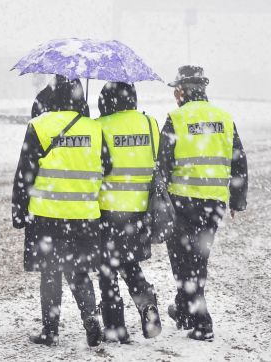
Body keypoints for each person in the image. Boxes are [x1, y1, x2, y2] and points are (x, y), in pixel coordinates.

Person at [12, 76, 110, 347]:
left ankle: (50, 330)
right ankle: (90, 319)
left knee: (51, 272)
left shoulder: (39, 126)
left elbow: (25, 174)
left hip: (47, 215)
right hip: (84, 214)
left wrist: (19, 211)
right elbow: (108, 166)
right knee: (78, 270)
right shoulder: (94, 128)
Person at [153, 65, 248, 341]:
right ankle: (184, 310)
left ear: (183, 90)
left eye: (176, 90)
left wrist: (159, 197)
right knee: (197, 259)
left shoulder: (177, 118)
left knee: (183, 262)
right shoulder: (224, 118)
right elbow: (238, 160)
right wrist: (236, 199)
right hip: (214, 203)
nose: (175, 95)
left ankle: (202, 322)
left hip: (182, 201)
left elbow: (163, 163)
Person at [96, 82, 162, 343]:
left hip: (107, 208)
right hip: (140, 209)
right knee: (127, 260)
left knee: (107, 267)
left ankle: (115, 327)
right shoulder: (150, 124)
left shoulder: (101, 125)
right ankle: (147, 304)